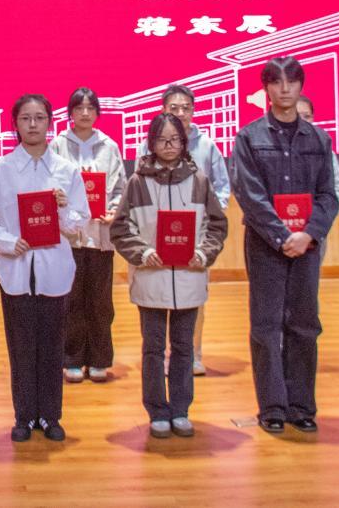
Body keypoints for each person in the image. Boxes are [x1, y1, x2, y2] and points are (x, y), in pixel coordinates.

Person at [0, 94, 89, 441]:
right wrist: (8, 242)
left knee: (52, 346)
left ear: (50, 122)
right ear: (16, 124)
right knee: (21, 346)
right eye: (25, 118)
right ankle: (24, 416)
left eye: (39, 117)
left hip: (54, 269)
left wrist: (63, 208)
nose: (33, 124)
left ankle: (51, 416)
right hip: (17, 269)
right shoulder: (2, 169)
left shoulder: (66, 170)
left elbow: (80, 221)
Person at [232, 57, 339, 434]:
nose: (284, 89)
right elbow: (249, 195)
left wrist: (308, 234)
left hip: (307, 245)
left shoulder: (319, 139)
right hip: (265, 246)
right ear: (266, 88)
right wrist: (281, 236)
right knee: (266, 325)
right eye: (276, 82)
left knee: (305, 324)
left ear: (301, 86)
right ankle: (273, 406)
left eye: (291, 81)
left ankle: (302, 405)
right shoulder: (249, 137)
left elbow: (328, 195)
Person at [110, 112, 228, 438]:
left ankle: (180, 408)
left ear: (184, 142)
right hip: (151, 277)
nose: (169, 145)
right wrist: (143, 252)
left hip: (189, 276)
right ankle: (157, 410)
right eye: (162, 140)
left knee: (183, 347)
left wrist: (202, 253)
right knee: (152, 348)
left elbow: (216, 225)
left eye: (175, 139)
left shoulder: (199, 180)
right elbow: (121, 228)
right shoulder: (138, 182)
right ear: (151, 143)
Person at [49, 87, 126, 384]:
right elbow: (49, 184)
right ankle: (71, 358)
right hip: (69, 236)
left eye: (90, 108)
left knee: (100, 301)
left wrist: (114, 211)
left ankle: (99, 359)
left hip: (100, 234)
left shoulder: (109, 146)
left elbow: (120, 189)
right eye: (79, 107)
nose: (84, 113)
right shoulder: (57, 145)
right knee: (71, 300)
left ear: (97, 112)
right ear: (70, 112)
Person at [160, 84, 231, 376]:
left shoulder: (207, 145)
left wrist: (212, 215)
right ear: (163, 110)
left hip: (197, 235)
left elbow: (222, 187)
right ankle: (166, 355)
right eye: (174, 108)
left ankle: (192, 355)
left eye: (185, 108)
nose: (180, 113)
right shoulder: (149, 144)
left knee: (195, 296)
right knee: (161, 296)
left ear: (193, 110)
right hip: (160, 233)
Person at [296, 96, 339, 215]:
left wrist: (330, 217)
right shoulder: (272, 150)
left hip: (320, 220)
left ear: (313, 118)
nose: (302, 121)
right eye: (297, 116)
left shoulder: (324, 149)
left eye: (307, 116)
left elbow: (338, 189)